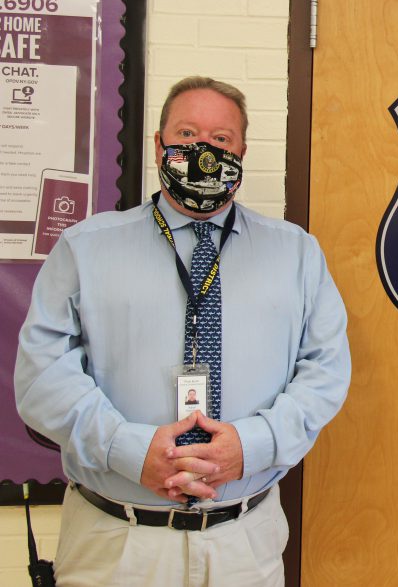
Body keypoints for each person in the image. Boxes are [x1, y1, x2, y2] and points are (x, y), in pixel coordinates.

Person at [15, 76, 351, 587]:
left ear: (242, 151)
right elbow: (41, 379)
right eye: (187, 134)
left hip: (245, 541)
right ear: (158, 145)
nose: (204, 152)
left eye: (220, 141)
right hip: (115, 542)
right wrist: (127, 449)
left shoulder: (297, 254)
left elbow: (326, 373)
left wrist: (253, 444)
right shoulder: (85, 250)